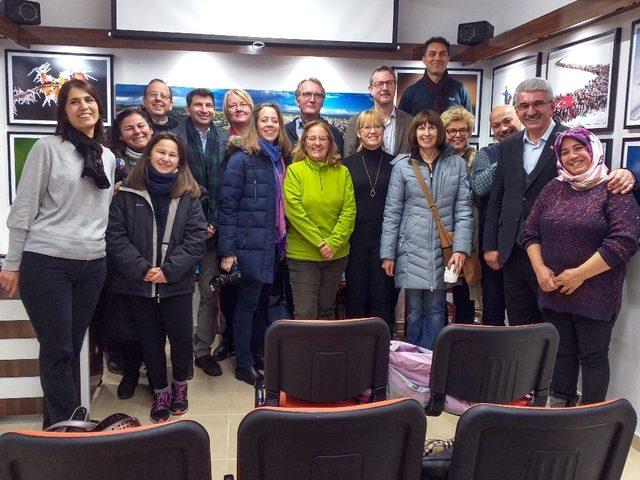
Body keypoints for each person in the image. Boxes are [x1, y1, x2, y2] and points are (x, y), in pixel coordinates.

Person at [0, 79, 115, 428]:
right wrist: (12, 263)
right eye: (73, 102)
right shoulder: (47, 148)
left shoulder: (106, 157)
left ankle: (56, 429)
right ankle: (74, 428)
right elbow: (24, 209)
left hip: (93, 263)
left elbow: (100, 213)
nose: (84, 107)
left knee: (70, 350)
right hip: (47, 262)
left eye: (89, 100)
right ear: (64, 112)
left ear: (99, 106)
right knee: (57, 349)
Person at [483, 77, 636, 326]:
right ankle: (525, 367)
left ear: (552, 106)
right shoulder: (508, 145)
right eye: (524, 106)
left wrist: (629, 174)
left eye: (538, 104)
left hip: (551, 254)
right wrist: (490, 244)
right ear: (517, 110)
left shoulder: (569, 142)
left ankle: (550, 368)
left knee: (553, 329)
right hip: (511, 250)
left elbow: (596, 176)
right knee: (520, 323)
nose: (530, 111)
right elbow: (498, 197)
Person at [521, 127, 640, 405]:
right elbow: (529, 232)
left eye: (579, 148)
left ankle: (590, 420)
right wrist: (540, 270)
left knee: (593, 357)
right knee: (561, 352)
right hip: (553, 290)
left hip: (595, 294)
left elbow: (624, 241)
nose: (573, 156)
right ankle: (560, 410)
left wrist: (579, 275)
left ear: (593, 148)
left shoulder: (613, 188)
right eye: (565, 151)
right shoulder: (554, 187)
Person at [106, 132, 207, 422]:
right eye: (161, 152)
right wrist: (142, 269)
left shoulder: (190, 195)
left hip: (176, 284)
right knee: (150, 341)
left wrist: (170, 271)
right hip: (139, 284)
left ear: (180, 161)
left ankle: (179, 387)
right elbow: (115, 236)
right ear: (150, 154)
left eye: (173, 155)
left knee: (181, 339)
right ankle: (160, 390)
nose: (166, 158)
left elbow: (195, 238)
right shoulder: (127, 193)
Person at [380, 109, 473, 350]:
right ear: (415, 132)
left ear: (439, 131)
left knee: (435, 310)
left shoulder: (457, 164)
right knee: (414, 311)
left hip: (444, 250)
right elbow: (392, 211)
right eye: (421, 127)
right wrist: (388, 253)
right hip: (411, 248)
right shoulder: (402, 166)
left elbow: (463, 210)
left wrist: (461, 249)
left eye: (432, 127)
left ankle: (432, 365)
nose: (427, 132)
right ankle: (414, 365)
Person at [218, 103, 292, 385]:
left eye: (275, 120)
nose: (270, 125)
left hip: (272, 244)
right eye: (265, 120)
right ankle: (243, 363)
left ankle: (258, 354)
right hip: (249, 245)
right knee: (247, 304)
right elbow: (228, 206)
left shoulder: (278, 159)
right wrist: (227, 251)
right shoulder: (242, 159)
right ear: (255, 124)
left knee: (262, 302)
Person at [100, 107, 155, 399]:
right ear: (119, 135)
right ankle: (131, 370)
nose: (138, 131)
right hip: (122, 249)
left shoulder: (163, 154)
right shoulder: (110, 162)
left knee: (154, 317)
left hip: (157, 249)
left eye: (142, 125)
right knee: (127, 318)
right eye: (130, 128)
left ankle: (154, 369)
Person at [174, 88, 228, 377]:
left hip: (213, 230)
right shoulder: (175, 138)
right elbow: (175, 184)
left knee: (209, 292)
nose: (204, 109)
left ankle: (202, 351)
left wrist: (214, 222)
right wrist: (197, 221)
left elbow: (226, 188)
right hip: (181, 229)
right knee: (176, 293)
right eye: (198, 105)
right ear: (188, 108)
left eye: (209, 105)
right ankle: (176, 352)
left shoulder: (224, 139)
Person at [284, 120, 356, 319]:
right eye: (312, 138)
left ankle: (324, 351)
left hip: (337, 255)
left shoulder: (343, 172)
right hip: (303, 256)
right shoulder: (294, 171)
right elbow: (295, 212)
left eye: (322, 138)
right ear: (304, 142)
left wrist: (333, 243)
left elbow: (349, 212)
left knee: (326, 311)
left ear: (330, 143)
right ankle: (303, 352)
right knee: (305, 313)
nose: (317, 143)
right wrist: (320, 242)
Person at [343, 109, 397, 333]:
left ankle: (382, 351)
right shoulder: (346, 165)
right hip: (355, 242)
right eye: (367, 127)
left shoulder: (396, 164)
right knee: (355, 297)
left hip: (385, 242)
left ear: (384, 130)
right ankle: (356, 350)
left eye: (377, 126)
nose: (372, 131)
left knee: (383, 299)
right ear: (359, 132)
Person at [213, 89, 257, 364]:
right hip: (226, 225)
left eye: (243, 104)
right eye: (232, 105)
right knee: (228, 290)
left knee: (254, 294)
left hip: (255, 229)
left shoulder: (261, 138)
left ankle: (251, 345)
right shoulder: (219, 139)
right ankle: (227, 341)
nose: (238, 108)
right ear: (226, 111)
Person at [470, 104, 521, 325]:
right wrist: (510, 153)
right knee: (494, 307)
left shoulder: (542, 151)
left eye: (508, 121)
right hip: (496, 245)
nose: (503, 128)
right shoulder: (486, 154)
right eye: (496, 125)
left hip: (530, 245)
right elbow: (480, 187)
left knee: (525, 310)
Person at [441, 106, 479, 324]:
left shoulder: (477, 158)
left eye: (462, 130)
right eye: (451, 130)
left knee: (465, 289)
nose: (457, 135)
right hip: (443, 230)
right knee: (440, 290)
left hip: (468, 232)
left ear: (470, 131)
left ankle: (464, 337)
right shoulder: (438, 160)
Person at [344, 66, 413, 157]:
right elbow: (348, 158)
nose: (385, 88)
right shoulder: (356, 121)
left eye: (389, 83)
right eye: (379, 84)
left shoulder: (410, 122)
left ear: (395, 87)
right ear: (371, 89)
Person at [398, 37, 471, 115]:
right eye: (432, 54)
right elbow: (402, 125)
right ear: (424, 59)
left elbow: (469, 124)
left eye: (442, 54)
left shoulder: (460, 90)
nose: (437, 58)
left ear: (448, 59)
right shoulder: (411, 93)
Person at [285, 77, 345, 155]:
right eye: (307, 94)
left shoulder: (335, 133)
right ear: (297, 101)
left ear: (322, 102)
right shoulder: (284, 132)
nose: (312, 100)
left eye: (318, 95)